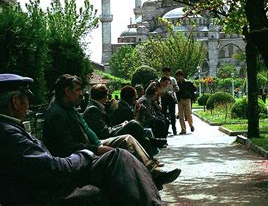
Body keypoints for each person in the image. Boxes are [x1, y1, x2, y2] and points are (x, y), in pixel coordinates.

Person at [0, 73, 161, 205]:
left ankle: (152, 197)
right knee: (115, 164)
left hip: (50, 181)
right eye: (26, 99)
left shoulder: (11, 127)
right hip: (44, 192)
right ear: (15, 101)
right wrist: (86, 153)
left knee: (119, 156)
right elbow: (53, 165)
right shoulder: (8, 133)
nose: (28, 105)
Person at [43, 74, 180, 189]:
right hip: (82, 157)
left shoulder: (69, 108)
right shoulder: (58, 114)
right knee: (127, 140)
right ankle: (150, 176)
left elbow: (87, 131)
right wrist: (97, 148)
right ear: (67, 91)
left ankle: (152, 172)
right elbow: (68, 147)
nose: (82, 93)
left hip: (95, 143)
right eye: (78, 90)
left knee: (128, 137)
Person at [83, 84, 160, 157]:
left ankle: (151, 148)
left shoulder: (96, 107)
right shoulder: (93, 109)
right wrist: (122, 125)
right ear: (104, 96)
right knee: (133, 124)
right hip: (103, 138)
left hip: (107, 134)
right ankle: (151, 152)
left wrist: (122, 125)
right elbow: (104, 132)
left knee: (133, 125)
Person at [137, 78, 170, 145]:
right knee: (161, 122)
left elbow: (152, 112)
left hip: (150, 117)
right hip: (146, 120)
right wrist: (156, 117)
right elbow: (148, 114)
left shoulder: (149, 100)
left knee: (165, 120)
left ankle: (163, 139)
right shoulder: (144, 100)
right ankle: (160, 140)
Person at [175, 70, 197, 134]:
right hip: (180, 100)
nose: (178, 77)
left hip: (187, 99)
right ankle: (183, 129)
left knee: (188, 114)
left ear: (182, 75)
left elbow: (194, 89)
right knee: (181, 115)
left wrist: (190, 95)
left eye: (179, 76)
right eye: (177, 76)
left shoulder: (188, 82)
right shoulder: (177, 83)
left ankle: (191, 125)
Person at [161, 67, 179, 135]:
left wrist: (173, 90)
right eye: (165, 72)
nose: (166, 73)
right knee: (164, 114)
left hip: (171, 98)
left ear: (170, 72)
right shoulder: (161, 80)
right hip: (164, 98)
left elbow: (177, 88)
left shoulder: (173, 79)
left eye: (168, 72)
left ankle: (174, 129)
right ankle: (165, 129)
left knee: (172, 114)